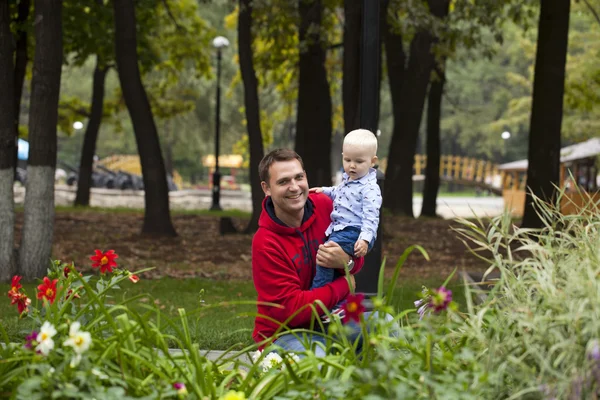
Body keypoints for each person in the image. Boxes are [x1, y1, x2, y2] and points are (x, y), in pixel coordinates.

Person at [252, 148, 392, 356]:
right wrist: (345, 283)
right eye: (283, 182)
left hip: (332, 319)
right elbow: (292, 310)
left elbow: (353, 255)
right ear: (267, 188)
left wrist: (348, 263)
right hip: (287, 332)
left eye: (299, 177)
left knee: (386, 324)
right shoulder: (266, 242)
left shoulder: (326, 206)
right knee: (317, 359)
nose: (294, 187)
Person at [309, 129, 382, 320]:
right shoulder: (349, 180)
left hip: (354, 232)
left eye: (359, 162)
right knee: (333, 265)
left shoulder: (370, 189)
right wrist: (323, 190)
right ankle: (338, 307)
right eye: (348, 160)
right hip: (341, 229)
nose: (352, 166)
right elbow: (339, 192)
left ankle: (317, 300)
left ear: (372, 161)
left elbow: (371, 216)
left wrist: (365, 239)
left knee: (325, 256)